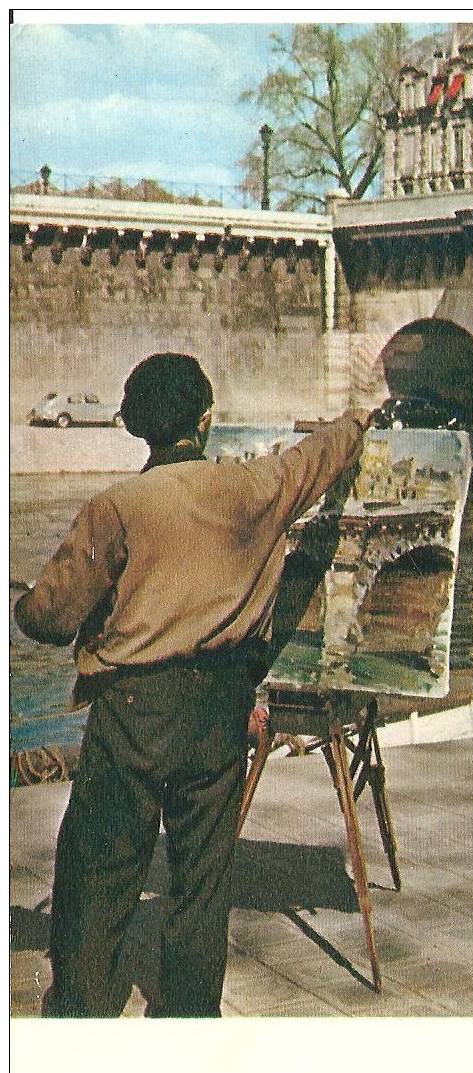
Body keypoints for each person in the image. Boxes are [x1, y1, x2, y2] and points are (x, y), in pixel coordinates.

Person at [15, 352, 375, 1017]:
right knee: (202, 881)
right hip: (218, 708)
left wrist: (23, 606)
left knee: (99, 871)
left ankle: (82, 1014)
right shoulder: (258, 486)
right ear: (206, 421)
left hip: (132, 710)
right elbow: (321, 455)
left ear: (132, 426)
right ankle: (186, 1019)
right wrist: (357, 422)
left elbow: (51, 618)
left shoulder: (115, 506)